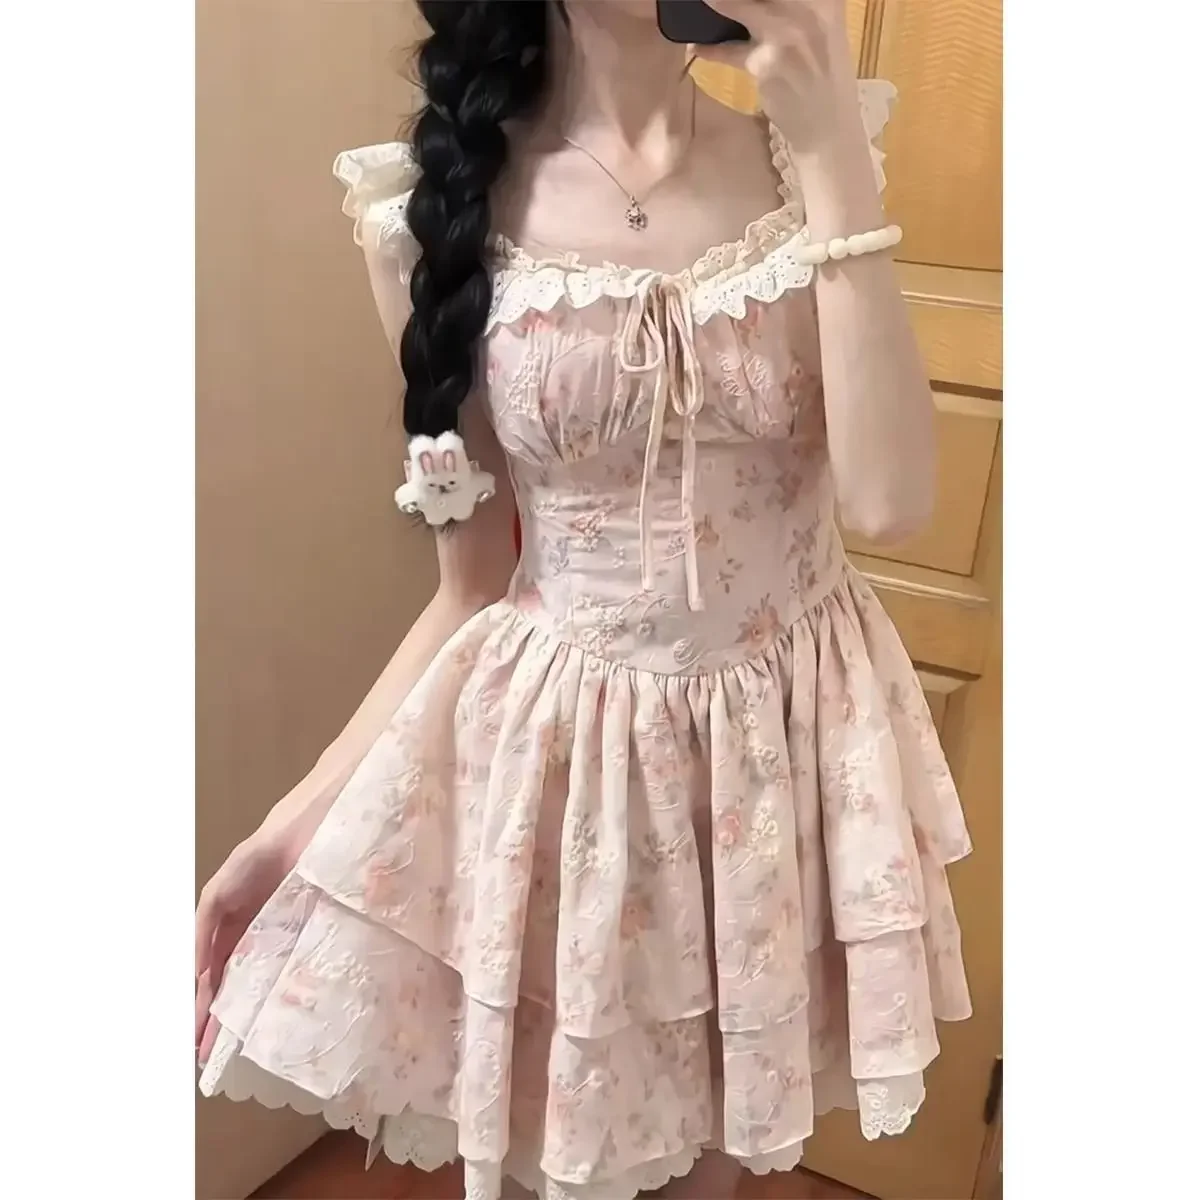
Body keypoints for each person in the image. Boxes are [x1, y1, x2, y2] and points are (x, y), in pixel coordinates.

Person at [195, 3, 973, 1197]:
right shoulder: (429, 213)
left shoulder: (814, 152)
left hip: (783, 753)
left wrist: (828, 149)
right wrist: (293, 825)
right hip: (571, 776)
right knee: (550, 1158)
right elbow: (468, 590)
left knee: (723, 1154)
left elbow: (891, 502)